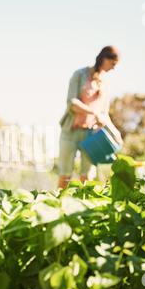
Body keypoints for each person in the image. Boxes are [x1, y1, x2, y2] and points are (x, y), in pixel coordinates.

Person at [58, 46, 123, 188]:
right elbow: (72, 103)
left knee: (87, 176)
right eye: (112, 64)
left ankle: (84, 207)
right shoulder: (79, 75)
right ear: (104, 58)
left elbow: (104, 114)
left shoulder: (105, 83)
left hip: (91, 135)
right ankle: (58, 205)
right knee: (65, 175)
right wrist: (93, 113)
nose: (113, 68)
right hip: (70, 131)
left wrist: (115, 132)